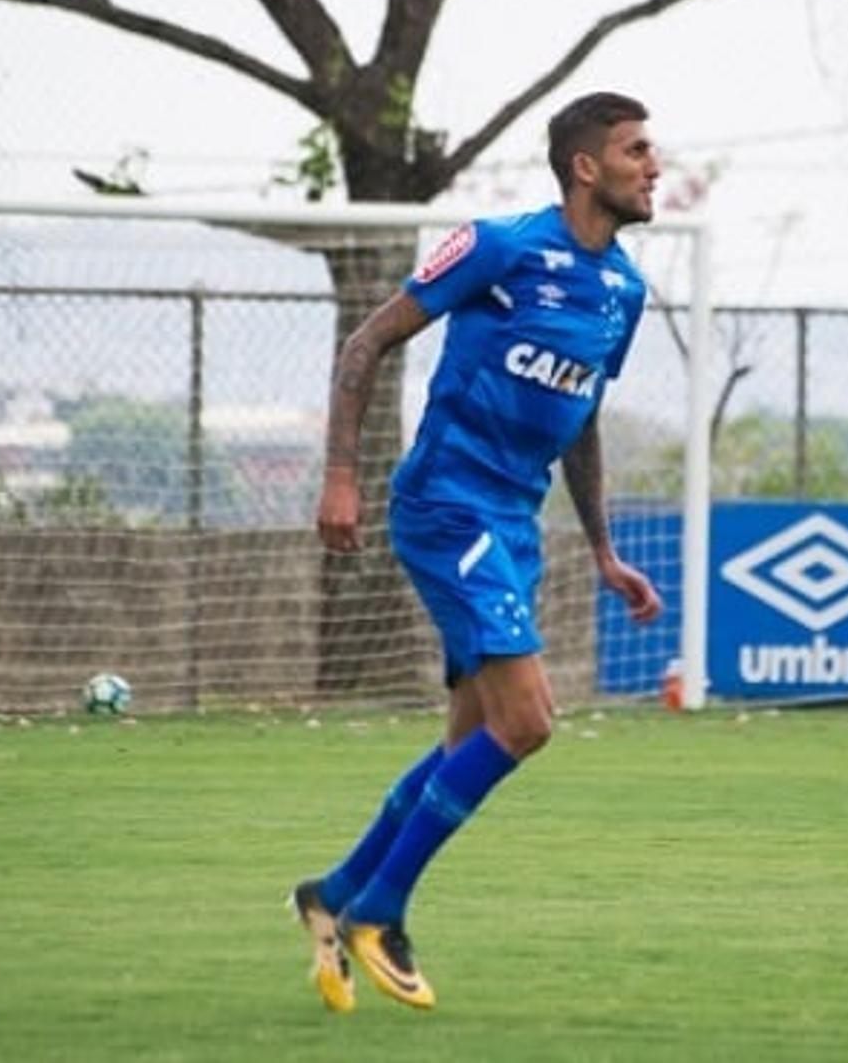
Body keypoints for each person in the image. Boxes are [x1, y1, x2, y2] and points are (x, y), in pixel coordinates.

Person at [292, 92, 666, 1013]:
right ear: (587, 167)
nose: (654, 166)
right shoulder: (499, 247)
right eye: (636, 150)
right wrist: (341, 476)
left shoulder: (624, 290)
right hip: (447, 508)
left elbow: (578, 422)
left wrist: (606, 550)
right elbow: (367, 341)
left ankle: (334, 894)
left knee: (471, 735)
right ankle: (384, 909)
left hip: (514, 523)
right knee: (529, 721)